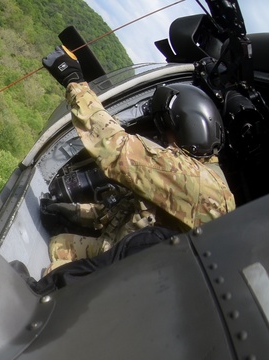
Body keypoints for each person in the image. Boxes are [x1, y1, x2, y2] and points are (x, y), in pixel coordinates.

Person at [40, 46, 235, 273]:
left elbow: (115, 147)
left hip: (135, 271)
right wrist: (74, 211)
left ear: (189, 130)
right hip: (122, 250)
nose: (165, 144)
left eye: (167, 135)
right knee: (57, 244)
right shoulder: (195, 175)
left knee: (52, 272)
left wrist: (75, 83)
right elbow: (130, 210)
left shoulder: (197, 180)